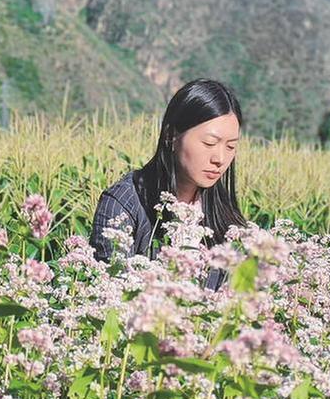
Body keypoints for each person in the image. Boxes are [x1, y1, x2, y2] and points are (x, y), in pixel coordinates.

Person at [89, 78, 248, 291]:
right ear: (171, 135)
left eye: (230, 147)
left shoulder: (226, 219)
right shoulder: (123, 205)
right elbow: (110, 297)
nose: (220, 158)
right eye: (209, 143)